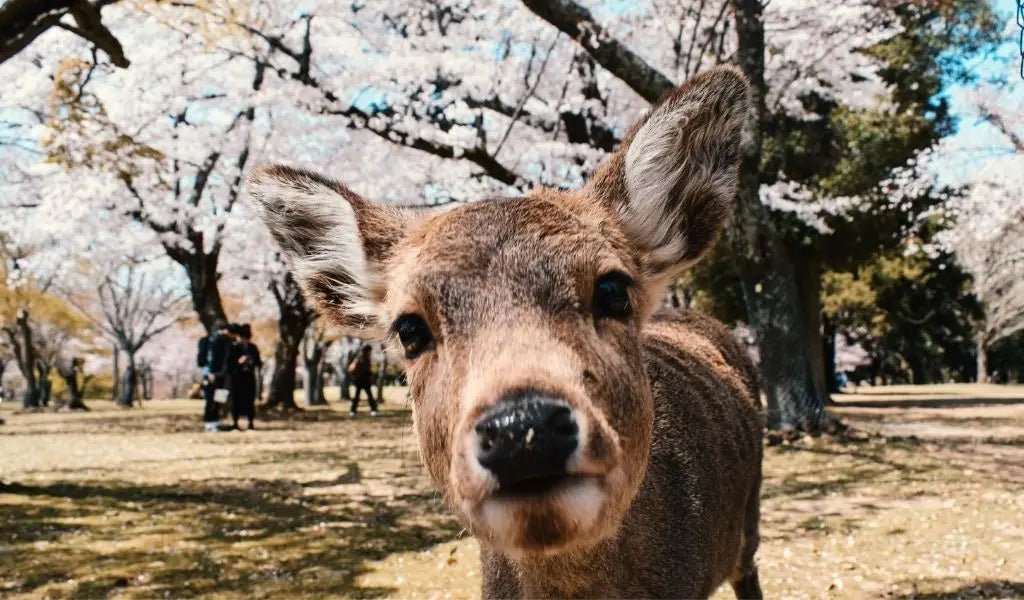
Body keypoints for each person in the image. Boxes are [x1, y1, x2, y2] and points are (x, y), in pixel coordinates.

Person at [226, 323, 262, 430]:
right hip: (236, 377)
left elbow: (258, 362)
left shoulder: (252, 347)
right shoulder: (233, 347)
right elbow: (229, 364)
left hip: (249, 377)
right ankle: (235, 422)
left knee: (249, 400)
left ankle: (250, 422)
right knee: (236, 400)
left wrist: (251, 361)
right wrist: (238, 363)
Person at [200, 321, 233, 432]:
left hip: (222, 376)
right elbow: (202, 360)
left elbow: (227, 360)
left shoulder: (227, 342)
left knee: (219, 399)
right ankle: (209, 422)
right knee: (210, 400)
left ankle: (216, 421)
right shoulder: (206, 342)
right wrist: (208, 373)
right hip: (210, 375)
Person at [347, 344, 378, 416]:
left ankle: (353, 411)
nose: (370, 352)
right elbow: (362, 369)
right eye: (369, 351)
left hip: (362, 380)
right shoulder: (362, 358)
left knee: (362, 396)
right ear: (367, 351)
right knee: (363, 396)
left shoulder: (364, 358)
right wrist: (369, 373)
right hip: (361, 380)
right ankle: (354, 411)